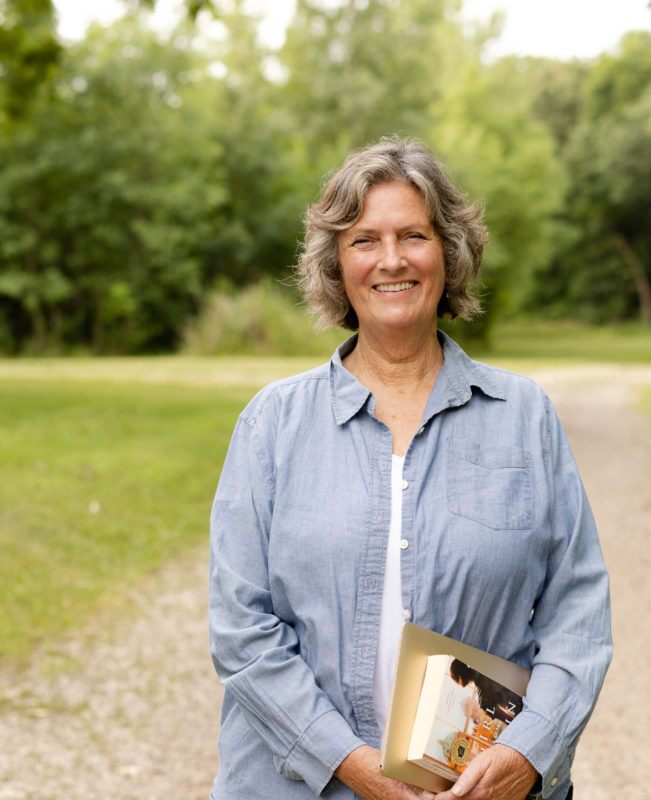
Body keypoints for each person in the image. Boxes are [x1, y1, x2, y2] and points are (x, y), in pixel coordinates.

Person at [208, 136, 612, 800]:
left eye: (413, 235)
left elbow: (579, 614)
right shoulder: (271, 425)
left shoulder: (525, 415)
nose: (391, 259)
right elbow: (241, 629)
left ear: (448, 255)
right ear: (336, 265)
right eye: (364, 239)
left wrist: (529, 752)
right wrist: (352, 764)